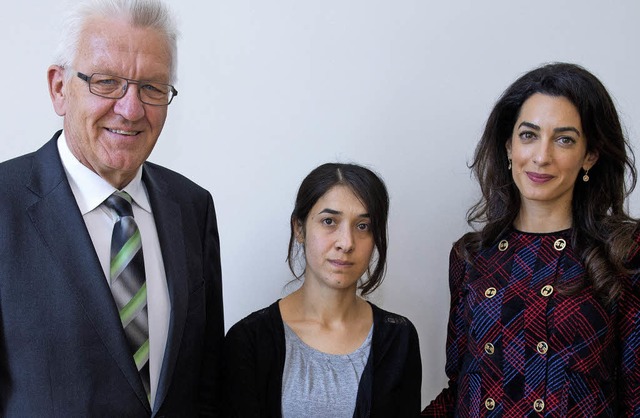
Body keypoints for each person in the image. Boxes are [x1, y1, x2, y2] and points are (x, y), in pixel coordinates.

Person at [0, 0, 224, 415]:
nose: (131, 108)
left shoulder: (193, 209)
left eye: (152, 88)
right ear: (59, 87)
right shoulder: (4, 203)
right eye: (106, 82)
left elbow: (205, 383)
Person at [422, 62, 640, 417]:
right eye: (529, 135)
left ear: (590, 155)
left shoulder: (624, 251)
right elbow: (461, 389)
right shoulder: (471, 256)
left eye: (564, 139)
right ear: (508, 146)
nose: (541, 156)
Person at [224, 163, 422, 417]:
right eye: (329, 221)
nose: (346, 243)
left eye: (363, 226)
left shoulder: (399, 338)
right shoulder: (249, 339)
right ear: (299, 228)